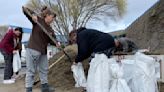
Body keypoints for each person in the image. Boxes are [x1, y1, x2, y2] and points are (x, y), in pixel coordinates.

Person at [22, 6, 58, 92]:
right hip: (33, 49)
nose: (53, 19)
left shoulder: (50, 29)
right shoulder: (38, 20)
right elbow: (24, 9)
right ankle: (29, 89)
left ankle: (45, 87)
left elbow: (53, 40)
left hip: (43, 52)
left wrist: (57, 43)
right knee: (31, 70)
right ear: (47, 15)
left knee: (44, 69)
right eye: (52, 17)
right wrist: (33, 15)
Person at [69, 27, 138, 64]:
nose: (75, 42)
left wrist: (76, 61)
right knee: (99, 60)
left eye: (73, 40)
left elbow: (83, 51)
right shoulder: (85, 33)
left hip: (103, 45)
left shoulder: (81, 35)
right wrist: (79, 59)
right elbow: (87, 52)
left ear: (74, 34)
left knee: (94, 61)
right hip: (107, 42)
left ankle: (101, 78)